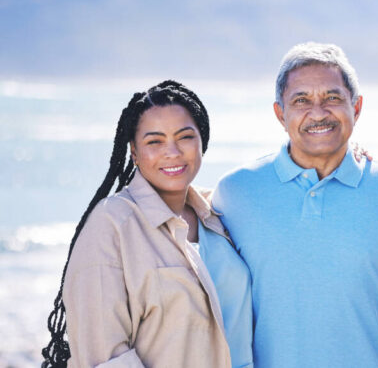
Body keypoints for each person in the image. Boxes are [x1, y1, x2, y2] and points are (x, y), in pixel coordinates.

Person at [211, 42, 378, 368]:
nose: (319, 112)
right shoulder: (235, 193)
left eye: (333, 98)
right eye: (301, 100)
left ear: (357, 106)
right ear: (280, 113)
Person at [41, 81, 253, 368]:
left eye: (185, 137)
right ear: (134, 152)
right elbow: (104, 358)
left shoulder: (218, 217)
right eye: (155, 141)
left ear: (202, 141)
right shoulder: (112, 225)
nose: (172, 151)